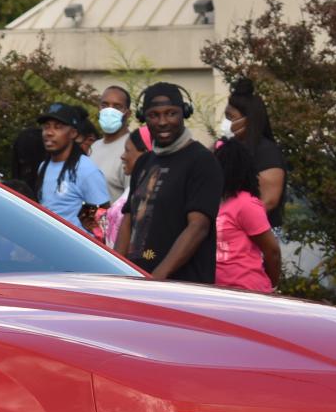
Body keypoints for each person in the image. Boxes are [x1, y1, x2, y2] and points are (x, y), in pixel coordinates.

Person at [115, 83, 223, 283]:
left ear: (184, 113)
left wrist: (157, 278)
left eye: (171, 113)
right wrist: (117, 272)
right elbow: (129, 219)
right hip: (138, 282)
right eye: (153, 115)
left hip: (181, 286)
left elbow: (198, 227)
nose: (162, 122)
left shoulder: (202, 160)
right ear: (143, 118)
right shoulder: (143, 163)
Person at [213, 141, 283, 292]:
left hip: (247, 291)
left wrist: (272, 286)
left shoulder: (246, 204)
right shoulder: (214, 202)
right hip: (217, 292)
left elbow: (273, 252)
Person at [35, 103, 109, 235]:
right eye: (46, 127)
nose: (49, 133)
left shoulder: (85, 169)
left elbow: (103, 218)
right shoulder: (43, 166)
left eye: (58, 127)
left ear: (73, 133)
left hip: (75, 250)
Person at [222, 78, 287, 229]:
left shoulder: (266, 151)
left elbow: (269, 201)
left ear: (248, 119)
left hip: (258, 233)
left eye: (230, 117)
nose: (226, 123)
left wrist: (235, 221)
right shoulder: (229, 149)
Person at [103, 127, 150, 253]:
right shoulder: (133, 187)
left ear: (145, 154)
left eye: (127, 151)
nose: (123, 156)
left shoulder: (149, 194)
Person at [90, 85, 132, 197]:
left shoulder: (133, 148)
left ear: (127, 114)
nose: (109, 111)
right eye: (105, 105)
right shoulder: (94, 147)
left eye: (117, 107)